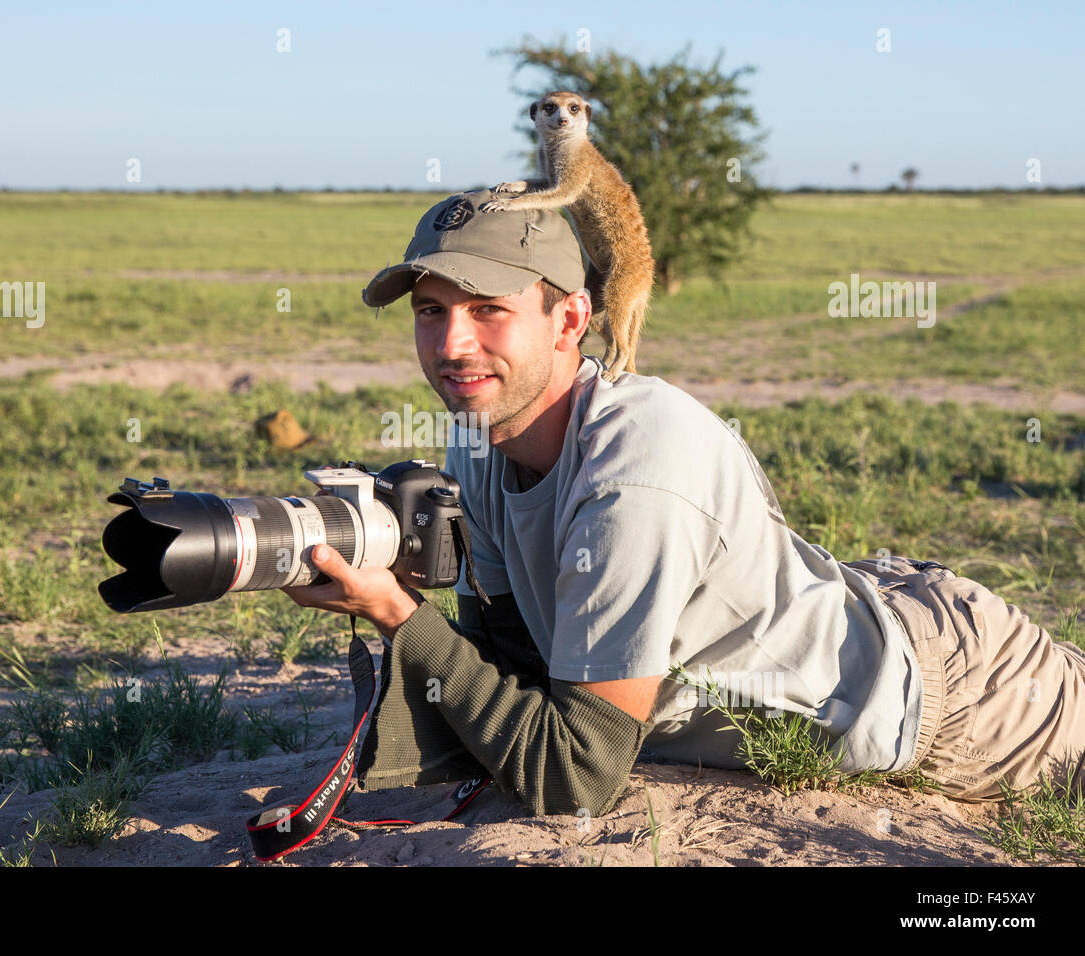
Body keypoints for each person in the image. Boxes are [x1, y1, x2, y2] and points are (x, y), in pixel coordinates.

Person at [281, 188, 1085, 817]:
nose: (453, 345)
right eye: (431, 311)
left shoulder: (636, 468)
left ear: (570, 320)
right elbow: (521, 669)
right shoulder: (479, 433)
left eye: (488, 309)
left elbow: (574, 776)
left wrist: (400, 617)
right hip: (864, 602)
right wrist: (392, 584)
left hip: (954, 700)